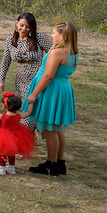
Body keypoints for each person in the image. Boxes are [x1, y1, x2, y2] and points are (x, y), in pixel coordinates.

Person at [25, 21, 79, 176]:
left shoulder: (58, 53)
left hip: (52, 90)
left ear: (62, 36)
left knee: (49, 129)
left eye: (54, 32)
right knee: (57, 128)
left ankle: (51, 164)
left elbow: (48, 75)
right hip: (62, 89)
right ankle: (59, 162)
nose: (51, 35)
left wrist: (34, 93)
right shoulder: (71, 52)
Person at [0, 13, 52, 132]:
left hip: (37, 78)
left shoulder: (38, 38)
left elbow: (53, 53)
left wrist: (49, 71)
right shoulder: (10, 40)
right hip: (20, 78)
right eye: (21, 25)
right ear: (16, 23)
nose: (24, 29)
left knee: (32, 107)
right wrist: (1, 80)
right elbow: (6, 61)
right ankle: (27, 137)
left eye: (28, 27)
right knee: (23, 108)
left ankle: (25, 137)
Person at [0, 93, 35, 175]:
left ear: (6, 106)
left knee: (2, 151)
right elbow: (28, 113)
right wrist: (31, 103)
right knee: (11, 151)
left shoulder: (2, 116)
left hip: (2, 135)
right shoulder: (18, 116)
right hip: (15, 135)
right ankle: (11, 167)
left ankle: (1, 167)